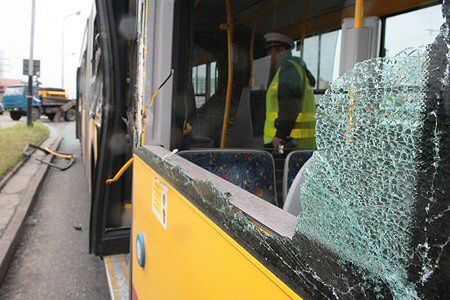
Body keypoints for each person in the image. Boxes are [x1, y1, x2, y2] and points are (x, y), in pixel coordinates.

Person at [263, 32, 317, 150]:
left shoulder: (289, 69)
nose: (268, 56)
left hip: (288, 144)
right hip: (297, 144)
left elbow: (290, 104)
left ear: (281, 49)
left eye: (270, 51)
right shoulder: (294, 68)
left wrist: (280, 136)